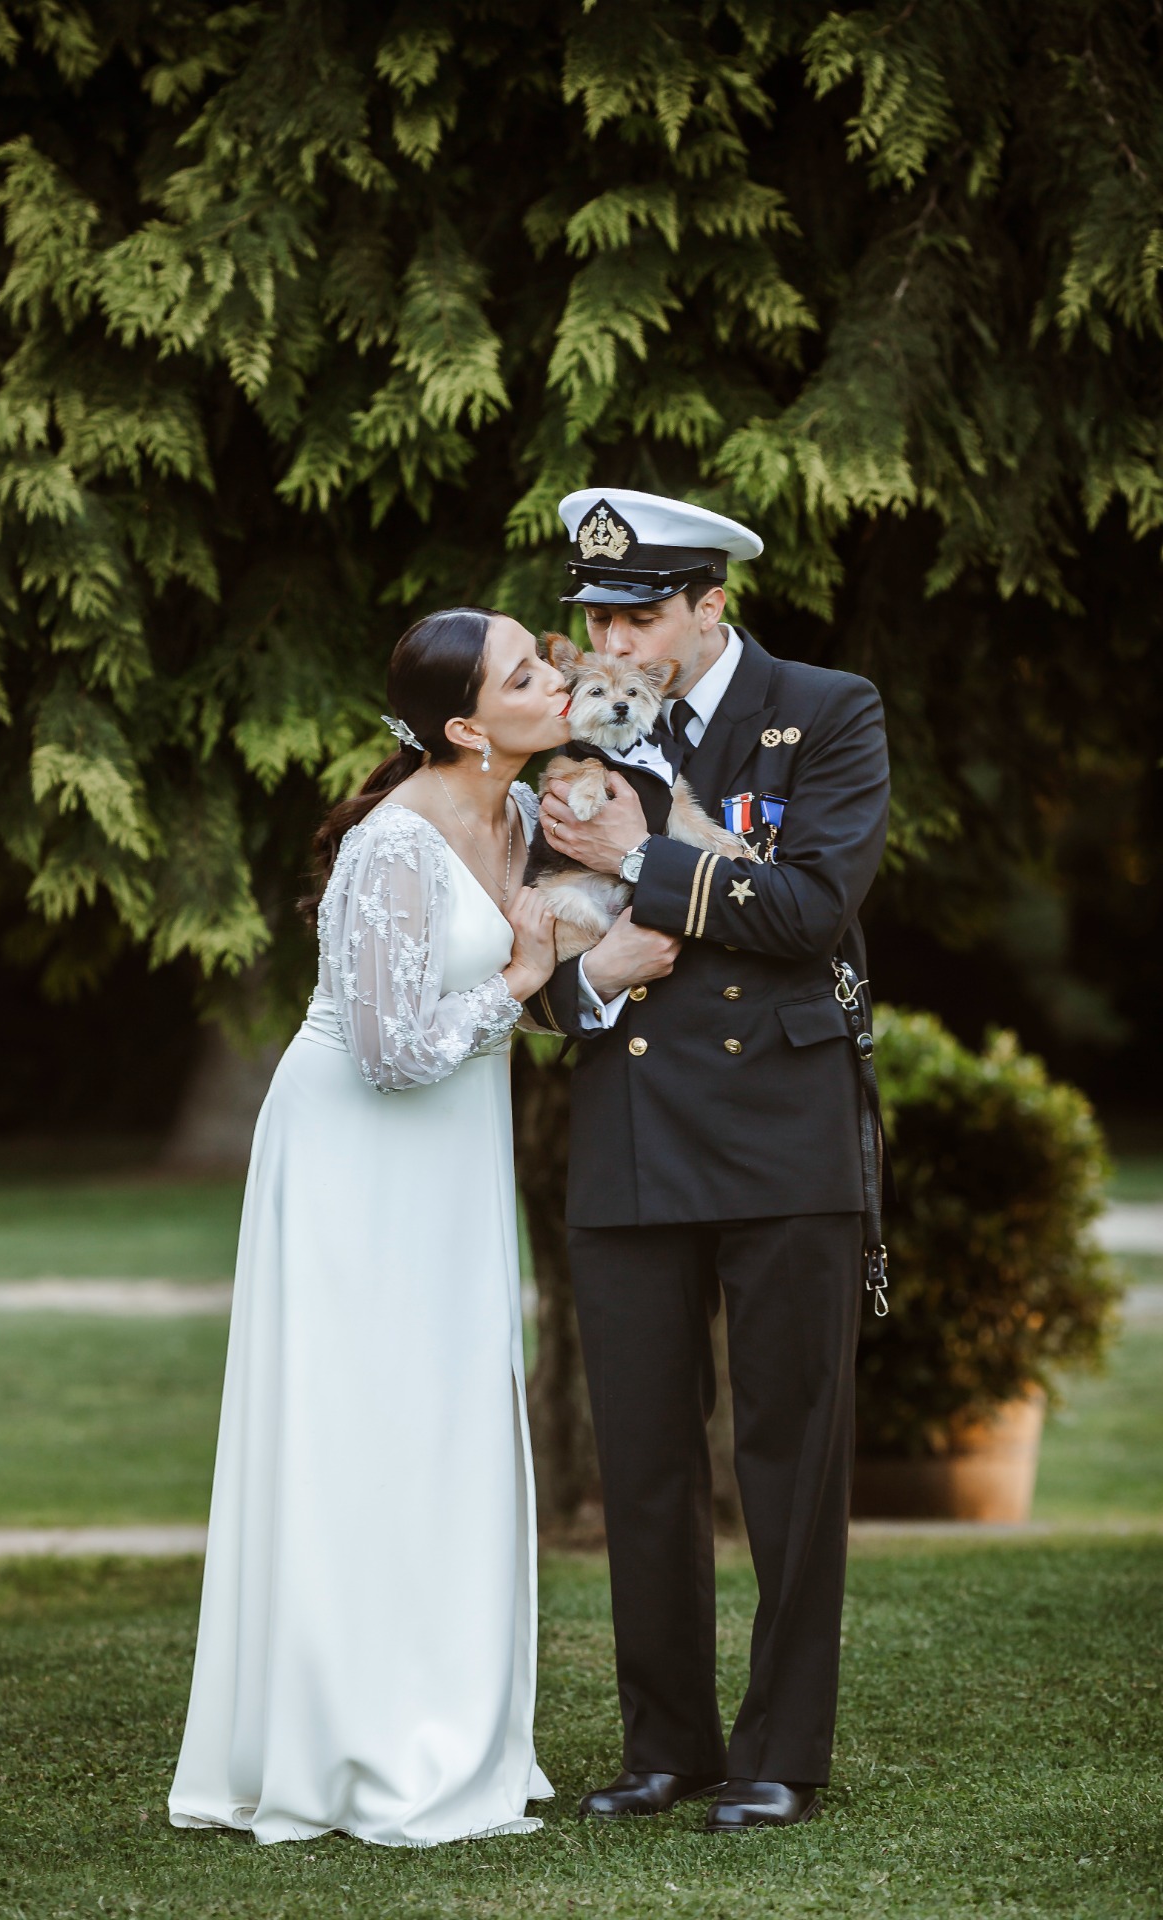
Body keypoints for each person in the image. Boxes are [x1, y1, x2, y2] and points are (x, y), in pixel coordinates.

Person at [169, 606, 569, 1848]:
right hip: (356, 1151)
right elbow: (392, 1052)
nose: (555, 678)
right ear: (467, 726)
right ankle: (349, 1738)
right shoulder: (393, 844)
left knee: (447, 1415)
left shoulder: (519, 813)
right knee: (361, 1424)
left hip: (449, 1149)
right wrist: (523, 974)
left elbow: (511, 996)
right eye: (524, 673)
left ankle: (449, 1715)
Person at [525, 488, 890, 1831]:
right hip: (627, 1124)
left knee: (788, 1452)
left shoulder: (824, 711)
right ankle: (664, 1745)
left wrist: (646, 853)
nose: (607, 643)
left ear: (709, 605)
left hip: (782, 1119)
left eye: (636, 616)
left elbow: (808, 911)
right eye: (594, 617)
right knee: (641, 1454)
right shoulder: (569, 732)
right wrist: (589, 982)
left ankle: (781, 1750)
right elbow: (530, 942)